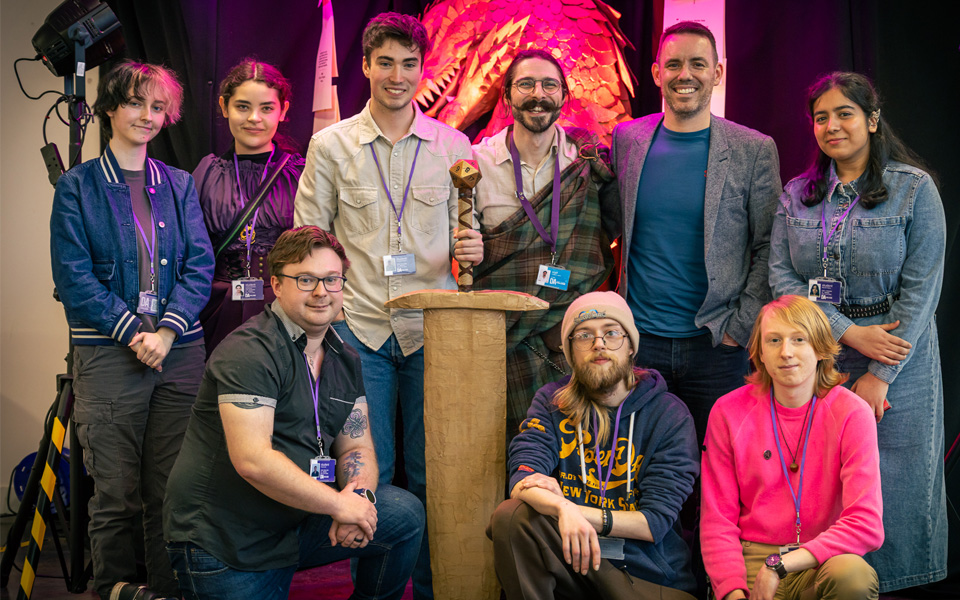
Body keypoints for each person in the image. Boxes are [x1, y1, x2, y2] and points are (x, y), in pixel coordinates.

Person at [293, 13, 483, 598]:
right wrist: (323, 326)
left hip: (434, 333)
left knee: (432, 472)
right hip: (360, 334)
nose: (397, 76)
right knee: (366, 474)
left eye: (409, 64)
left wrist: (472, 244)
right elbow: (308, 237)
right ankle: (373, 591)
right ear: (368, 67)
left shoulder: (453, 146)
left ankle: (426, 589)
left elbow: (468, 236)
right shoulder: (331, 145)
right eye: (385, 63)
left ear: (422, 69)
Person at [163, 227, 424, 600]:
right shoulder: (250, 351)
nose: (321, 292)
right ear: (276, 284)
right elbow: (252, 461)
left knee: (403, 515)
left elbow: (356, 448)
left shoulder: (343, 357)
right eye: (306, 279)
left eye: (332, 280)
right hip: (227, 542)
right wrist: (337, 504)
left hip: (293, 522)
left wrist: (359, 497)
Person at [768, 71, 947, 592]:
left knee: (898, 485)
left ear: (871, 120)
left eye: (845, 114)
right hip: (819, 354)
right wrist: (847, 334)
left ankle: (898, 584)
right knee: (830, 484)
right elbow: (781, 277)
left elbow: (923, 289)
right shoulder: (797, 194)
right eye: (821, 117)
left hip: (900, 354)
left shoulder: (914, 189)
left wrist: (880, 373)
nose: (832, 125)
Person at [49, 60, 214, 599]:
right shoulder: (77, 187)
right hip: (108, 354)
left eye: (158, 106)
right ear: (110, 107)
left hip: (179, 353)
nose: (147, 115)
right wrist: (132, 331)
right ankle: (112, 590)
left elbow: (199, 266)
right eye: (136, 103)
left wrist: (165, 332)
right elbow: (73, 278)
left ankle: (166, 592)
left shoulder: (181, 184)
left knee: (172, 493)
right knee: (115, 495)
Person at [611, 20, 782, 444]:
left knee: (717, 476)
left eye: (697, 64)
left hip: (716, 348)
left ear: (717, 73)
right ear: (656, 73)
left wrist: (739, 329)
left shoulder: (753, 150)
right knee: (639, 471)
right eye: (673, 64)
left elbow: (770, 247)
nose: (684, 74)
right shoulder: (627, 139)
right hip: (639, 342)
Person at [490, 291, 699, 599]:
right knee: (512, 516)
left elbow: (653, 522)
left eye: (611, 333)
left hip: (648, 578)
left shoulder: (669, 413)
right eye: (584, 335)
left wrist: (575, 512)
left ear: (630, 347)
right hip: (577, 566)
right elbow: (522, 479)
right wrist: (561, 508)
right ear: (570, 351)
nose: (599, 343)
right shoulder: (551, 403)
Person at [472, 49, 620, 441]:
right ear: (506, 96)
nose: (538, 94)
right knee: (512, 443)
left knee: (578, 442)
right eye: (525, 84)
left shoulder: (588, 160)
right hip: (505, 334)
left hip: (571, 338)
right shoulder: (475, 163)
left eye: (549, 85)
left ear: (563, 96)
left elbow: (608, 233)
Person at [701, 295, 883, 600]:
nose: (786, 352)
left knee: (854, 576)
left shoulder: (852, 412)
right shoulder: (728, 412)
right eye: (774, 340)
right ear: (759, 351)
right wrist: (732, 592)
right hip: (749, 561)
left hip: (819, 559)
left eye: (799, 339)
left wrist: (779, 566)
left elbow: (866, 524)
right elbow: (717, 520)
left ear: (820, 348)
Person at [194, 58, 305, 356]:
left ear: (283, 110)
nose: (254, 118)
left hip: (285, 309)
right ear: (224, 106)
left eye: (267, 108)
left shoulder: (302, 174)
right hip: (217, 309)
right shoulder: (206, 174)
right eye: (242, 106)